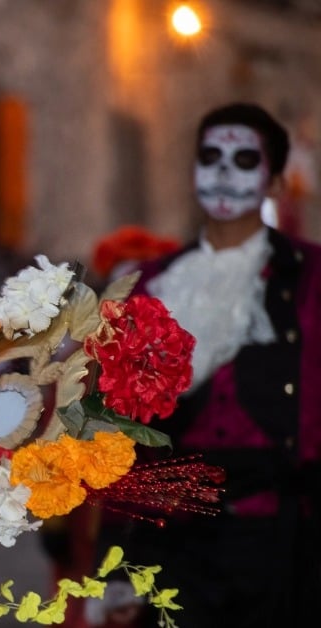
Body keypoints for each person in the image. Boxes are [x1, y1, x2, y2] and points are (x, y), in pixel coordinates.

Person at [131, 102, 321, 626]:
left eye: (243, 160)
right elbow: (119, 432)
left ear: (277, 183)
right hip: (176, 541)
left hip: (284, 541)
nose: (221, 171)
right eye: (210, 156)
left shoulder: (311, 278)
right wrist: (116, 558)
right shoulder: (153, 282)